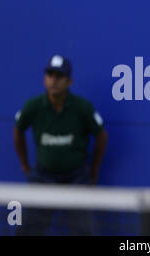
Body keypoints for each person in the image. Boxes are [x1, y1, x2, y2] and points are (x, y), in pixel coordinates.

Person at [13, 54, 108, 235]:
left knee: (84, 231)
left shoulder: (83, 107)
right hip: (42, 177)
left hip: (76, 179)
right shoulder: (33, 106)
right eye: (50, 75)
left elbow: (102, 136)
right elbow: (18, 130)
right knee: (27, 230)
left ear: (69, 81)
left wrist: (94, 171)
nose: (53, 80)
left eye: (59, 76)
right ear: (44, 79)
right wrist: (26, 166)